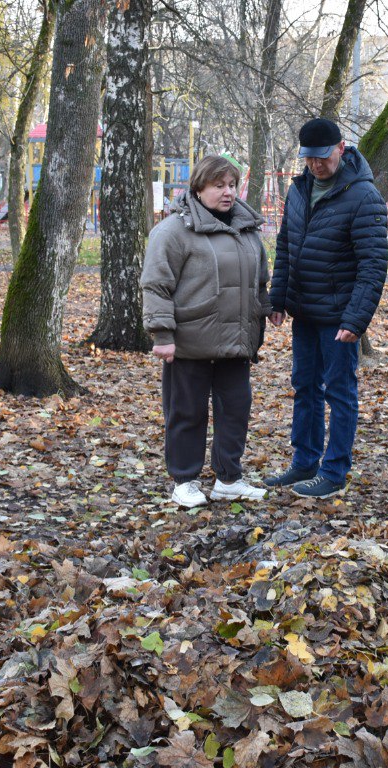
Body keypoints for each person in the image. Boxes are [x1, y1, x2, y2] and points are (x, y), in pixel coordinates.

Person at [263, 117, 388, 499]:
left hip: (339, 317)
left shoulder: (363, 196)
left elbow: (373, 265)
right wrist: (279, 298)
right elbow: (286, 246)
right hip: (304, 311)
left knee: (340, 391)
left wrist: (356, 319)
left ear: (341, 148)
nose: (317, 165)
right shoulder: (299, 190)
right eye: (309, 158)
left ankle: (333, 472)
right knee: (304, 387)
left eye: (323, 157)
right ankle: (304, 462)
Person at [141, 154, 270, 508]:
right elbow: (156, 285)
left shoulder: (246, 228)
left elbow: (258, 279)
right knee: (187, 412)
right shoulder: (173, 231)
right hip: (189, 342)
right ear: (199, 188)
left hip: (236, 341)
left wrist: (267, 307)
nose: (227, 193)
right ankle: (184, 480)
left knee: (236, 409)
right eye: (219, 186)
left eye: (232, 185)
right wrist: (162, 335)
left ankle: (229, 478)